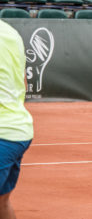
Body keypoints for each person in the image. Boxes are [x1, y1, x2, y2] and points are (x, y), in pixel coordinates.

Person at [0, 20, 34, 219]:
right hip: (18, 130)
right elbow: (23, 82)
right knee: (2, 202)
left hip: (3, 134)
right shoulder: (11, 32)